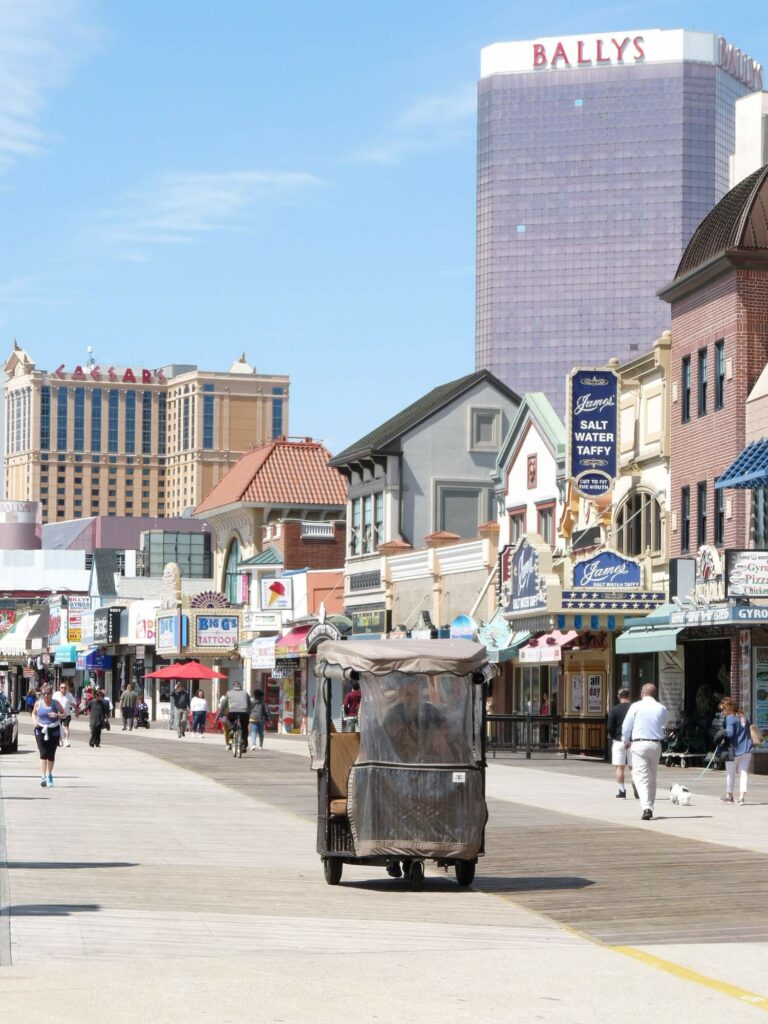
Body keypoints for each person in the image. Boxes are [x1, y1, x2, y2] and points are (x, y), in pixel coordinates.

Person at [621, 683, 669, 821]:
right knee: (652, 776)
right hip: (655, 743)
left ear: (642, 693)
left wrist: (625, 740)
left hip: (639, 743)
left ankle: (646, 807)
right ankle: (650, 805)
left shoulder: (635, 706)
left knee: (641, 777)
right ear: (655, 693)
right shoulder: (661, 708)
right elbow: (665, 724)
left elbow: (626, 726)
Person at [718, 698, 754, 805]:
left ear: (729, 708)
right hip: (747, 749)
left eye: (723, 709)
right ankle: (741, 798)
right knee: (744, 774)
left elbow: (729, 733)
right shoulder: (744, 716)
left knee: (730, 774)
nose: (723, 712)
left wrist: (720, 734)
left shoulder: (730, 718)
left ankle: (729, 796)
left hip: (733, 750)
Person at [607, 687, 637, 799]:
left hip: (619, 741)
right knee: (634, 767)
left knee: (620, 767)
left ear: (619, 697)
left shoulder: (614, 710)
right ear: (629, 696)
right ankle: (637, 787)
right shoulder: (634, 708)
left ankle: (622, 791)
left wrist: (613, 736)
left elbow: (610, 727)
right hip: (633, 741)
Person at [32, 685, 63, 787]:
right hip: (40, 729)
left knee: (51, 754)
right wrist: (35, 721)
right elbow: (34, 713)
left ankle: (49, 774)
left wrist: (57, 715)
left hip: (54, 729)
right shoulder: (38, 703)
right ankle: (43, 776)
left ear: (51, 694)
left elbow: (65, 714)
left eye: (48, 694)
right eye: (44, 694)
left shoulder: (56, 703)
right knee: (43, 753)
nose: (46, 696)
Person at [219, 682, 251, 750]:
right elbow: (249, 703)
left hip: (232, 712)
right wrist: (249, 712)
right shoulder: (245, 692)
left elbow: (223, 704)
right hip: (244, 713)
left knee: (227, 719)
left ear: (233, 686)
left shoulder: (229, 692)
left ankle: (232, 728)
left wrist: (220, 712)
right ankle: (245, 743)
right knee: (245, 728)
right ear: (241, 686)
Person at [53, 681, 76, 747]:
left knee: (66, 727)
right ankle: (60, 740)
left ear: (67, 688)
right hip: (57, 714)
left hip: (67, 714)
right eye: (62, 687)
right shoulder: (56, 694)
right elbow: (52, 703)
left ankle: (66, 740)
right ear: (59, 688)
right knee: (59, 728)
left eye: (65, 688)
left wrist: (77, 711)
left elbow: (73, 704)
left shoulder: (69, 695)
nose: (63, 689)